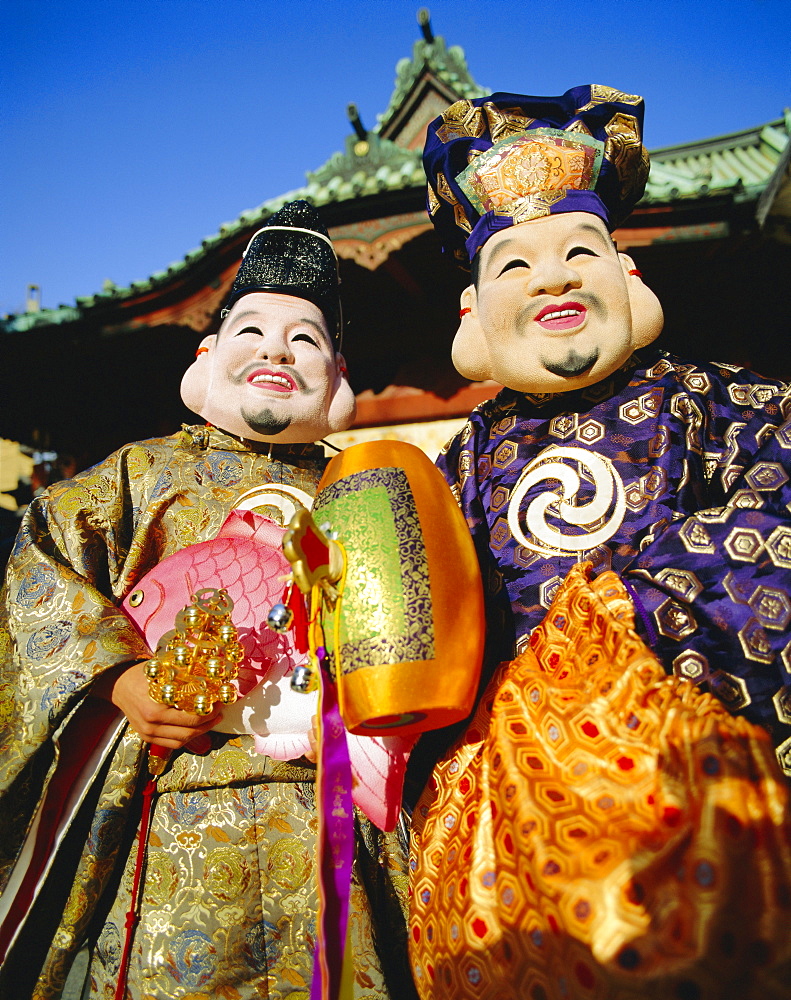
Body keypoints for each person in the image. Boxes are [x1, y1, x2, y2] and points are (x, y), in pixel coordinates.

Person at [406, 87, 791, 998]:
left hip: (691, 777)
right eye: (514, 268)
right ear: (470, 317)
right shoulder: (454, 465)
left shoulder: (727, 404)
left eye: (580, 253)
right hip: (495, 822)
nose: (552, 281)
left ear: (629, 278)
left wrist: (619, 621)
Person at [0, 201, 416, 1000]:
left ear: (338, 375)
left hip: (335, 819)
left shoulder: (365, 492)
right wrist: (121, 679)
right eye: (252, 331)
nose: (277, 352)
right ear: (207, 353)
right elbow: (39, 565)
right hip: (176, 802)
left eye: (306, 339)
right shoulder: (137, 476)